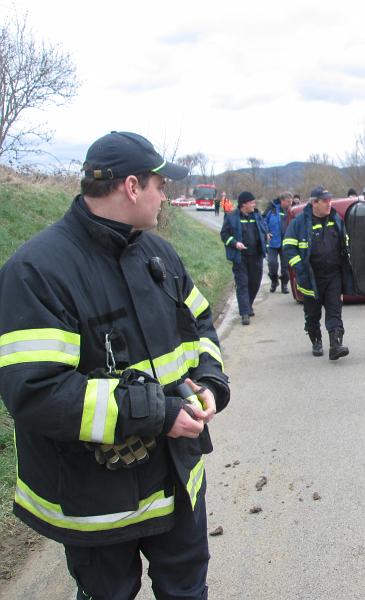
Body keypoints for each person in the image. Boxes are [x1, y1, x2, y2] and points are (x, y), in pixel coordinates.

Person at [0, 131, 230, 600]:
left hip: (178, 481)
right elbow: (36, 391)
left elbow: (200, 323)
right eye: (160, 186)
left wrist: (209, 380)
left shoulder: (158, 253)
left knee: (188, 590)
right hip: (97, 499)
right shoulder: (37, 270)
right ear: (131, 186)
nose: (165, 196)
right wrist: (159, 413)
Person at [283, 186, 354, 360]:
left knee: (334, 310)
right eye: (325, 201)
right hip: (310, 277)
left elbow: (345, 242)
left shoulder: (336, 218)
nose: (329, 204)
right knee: (312, 314)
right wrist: (300, 269)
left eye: (330, 200)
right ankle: (316, 340)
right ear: (314, 203)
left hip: (333, 275)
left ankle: (336, 345)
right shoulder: (299, 223)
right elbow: (289, 248)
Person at [220, 191, 267, 325]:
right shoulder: (231, 217)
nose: (254, 204)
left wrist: (266, 234)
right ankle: (245, 313)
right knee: (242, 284)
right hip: (240, 257)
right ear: (244, 204)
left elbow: (263, 228)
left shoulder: (257, 215)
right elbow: (224, 235)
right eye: (252, 202)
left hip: (256, 256)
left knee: (254, 283)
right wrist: (235, 243)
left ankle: (248, 305)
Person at [264, 192, 293, 293]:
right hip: (272, 242)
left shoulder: (292, 210)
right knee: (272, 263)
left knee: (285, 266)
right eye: (288, 201)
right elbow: (263, 221)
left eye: (291, 201)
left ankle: (284, 285)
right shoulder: (271, 209)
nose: (290, 203)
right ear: (282, 201)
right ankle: (274, 280)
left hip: (286, 242)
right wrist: (266, 232)